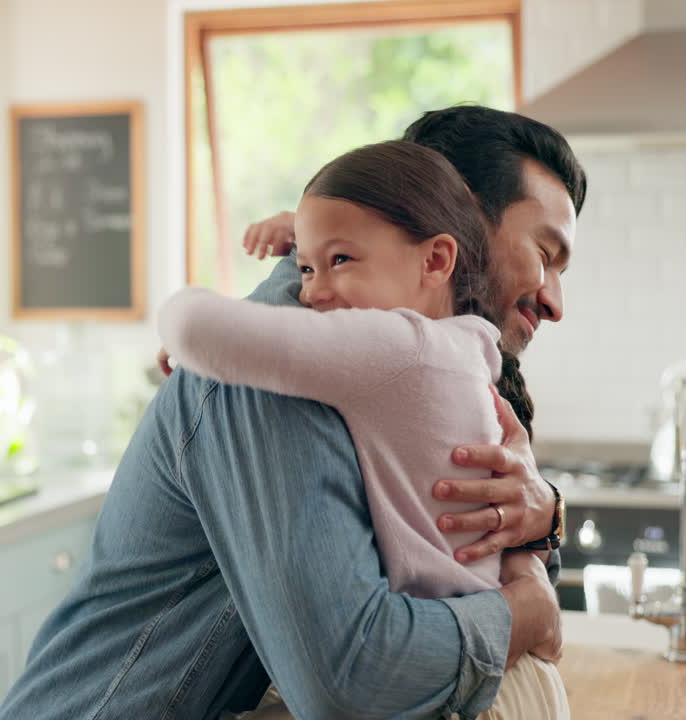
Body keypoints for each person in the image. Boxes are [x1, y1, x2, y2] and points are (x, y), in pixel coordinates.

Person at [0, 106, 585, 719]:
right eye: (545, 253)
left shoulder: (438, 360)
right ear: (450, 214)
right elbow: (354, 679)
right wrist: (525, 613)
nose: (555, 301)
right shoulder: (286, 366)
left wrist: (543, 517)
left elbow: (474, 567)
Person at [158, 139, 568, 719]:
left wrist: (182, 329)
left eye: (340, 260)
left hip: (444, 682)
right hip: (475, 671)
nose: (308, 293)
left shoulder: (399, 347)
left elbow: (197, 328)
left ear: (437, 257)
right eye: (544, 253)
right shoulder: (467, 353)